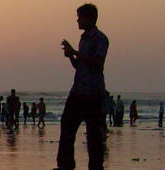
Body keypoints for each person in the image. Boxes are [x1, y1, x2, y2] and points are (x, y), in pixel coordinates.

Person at [56, 3, 109, 170]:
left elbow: (98, 62)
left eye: (80, 17)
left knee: (93, 135)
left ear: (90, 18)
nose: (78, 20)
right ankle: (65, 165)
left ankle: (96, 167)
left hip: (93, 93)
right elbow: (80, 66)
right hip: (78, 91)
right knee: (67, 129)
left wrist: (76, 52)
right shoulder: (84, 38)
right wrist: (71, 56)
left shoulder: (100, 38)